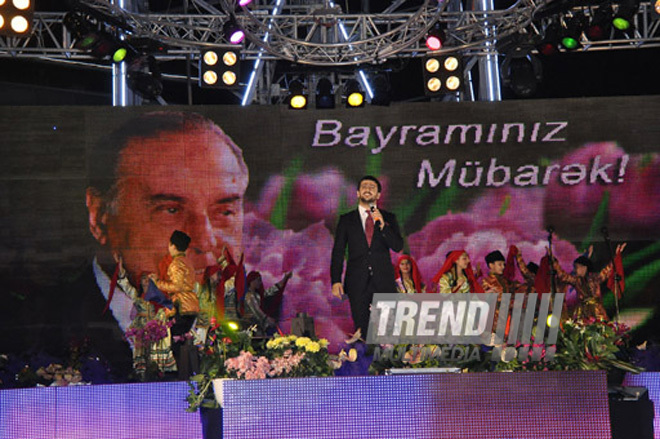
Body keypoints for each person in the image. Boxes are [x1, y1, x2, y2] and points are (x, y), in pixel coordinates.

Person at [5, 111, 250, 380]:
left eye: (224, 212)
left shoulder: (250, 329)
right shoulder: (26, 331)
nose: (205, 241)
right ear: (99, 216)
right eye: (170, 210)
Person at [331, 175, 404, 339]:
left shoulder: (389, 218)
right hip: (357, 280)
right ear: (357, 193)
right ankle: (364, 362)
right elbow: (338, 251)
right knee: (362, 329)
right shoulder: (346, 219)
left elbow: (398, 246)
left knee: (386, 329)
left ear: (378, 195)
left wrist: (383, 225)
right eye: (364, 186)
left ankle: (385, 362)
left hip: (383, 280)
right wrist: (336, 280)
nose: (368, 189)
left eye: (372, 187)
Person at [149, 230, 199, 378]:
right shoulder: (187, 262)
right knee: (183, 341)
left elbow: (176, 287)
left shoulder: (176, 263)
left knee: (177, 342)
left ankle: (183, 376)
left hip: (181, 306)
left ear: (172, 245)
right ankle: (188, 374)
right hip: (189, 305)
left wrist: (157, 282)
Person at [553, 244, 627, 321]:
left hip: (597, 311)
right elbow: (563, 276)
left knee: (601, 329)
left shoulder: (595, 278)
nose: (575, 270)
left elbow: (607, 270)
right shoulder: (576, 280)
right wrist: (554, 263)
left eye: (576, 267)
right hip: (582, 312)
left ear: (584, 268)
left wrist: (617, 255)